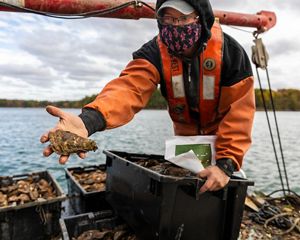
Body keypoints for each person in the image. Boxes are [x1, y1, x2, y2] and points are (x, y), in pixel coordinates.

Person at [40, 0, 255, 193]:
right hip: (189, 147)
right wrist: (88, 121)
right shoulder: (154, 52)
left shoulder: (231, 53)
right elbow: (128, 89)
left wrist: (226, 164)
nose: (175, 26)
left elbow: (239, 112)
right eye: (168, 19)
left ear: (201, 17)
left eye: (183, 18)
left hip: (224, 146)